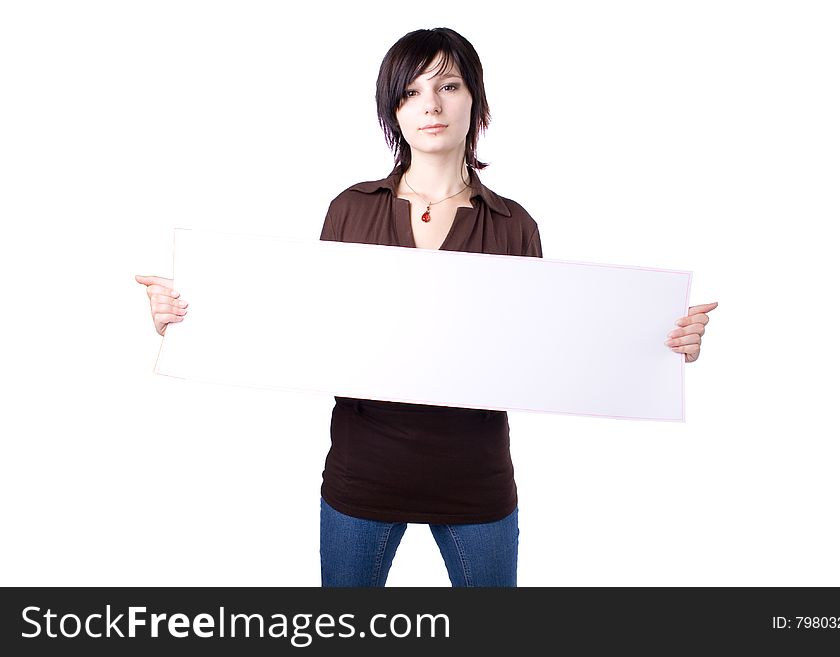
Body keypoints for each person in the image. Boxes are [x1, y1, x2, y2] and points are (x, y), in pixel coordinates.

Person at [136, 27, 718, 587]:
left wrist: (662, 347)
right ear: (394, 110)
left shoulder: (514, 225)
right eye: (411, 92)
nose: (431, 105)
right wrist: (189, 316)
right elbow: (302, 323)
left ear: (475, 103)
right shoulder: (351, 210)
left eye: (448, 86)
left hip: (475, 480)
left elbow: (552, 349)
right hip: (362, 476)